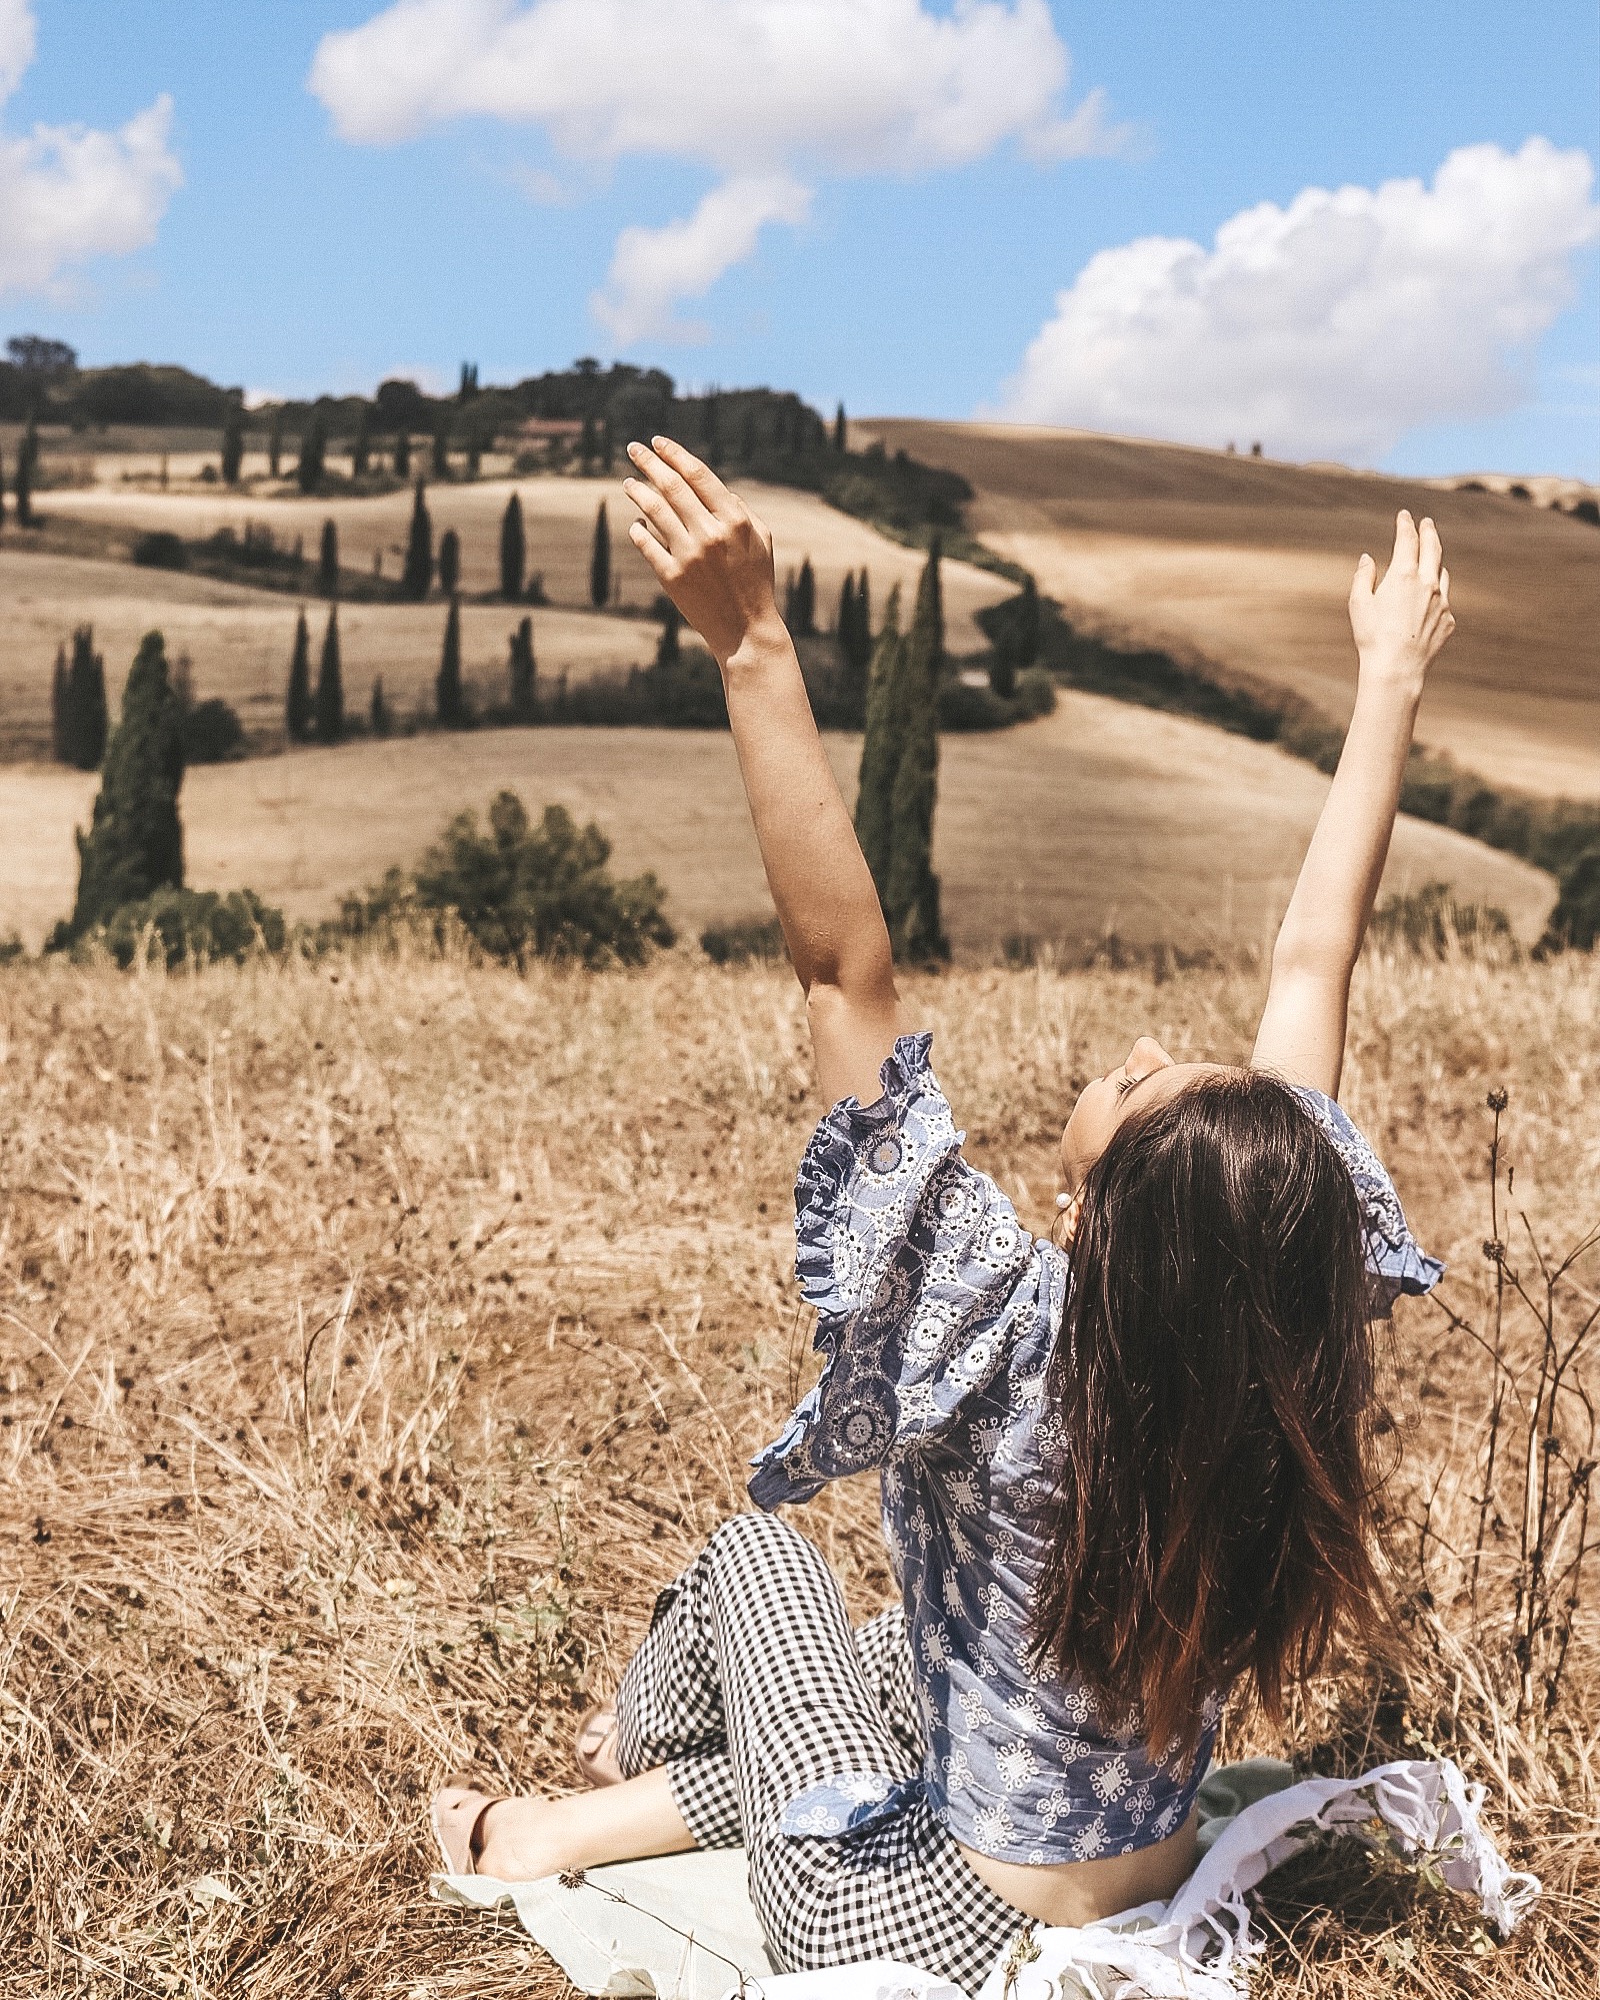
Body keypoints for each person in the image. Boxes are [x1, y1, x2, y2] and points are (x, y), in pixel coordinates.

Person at [432, 441, 1455, 1991]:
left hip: (904, 1916)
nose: (1144, 1048)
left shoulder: (997, 1337)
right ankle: (561, 1828)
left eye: (1151, 1083)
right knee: (884, 1681)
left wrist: (752, 644)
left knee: (759, 1564)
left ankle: (597, 1767)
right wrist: (1386, 686)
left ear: (1096, 1214)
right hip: (1147, 1877)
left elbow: (846, 973)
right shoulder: (1280, 1334)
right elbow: (1316, 968)